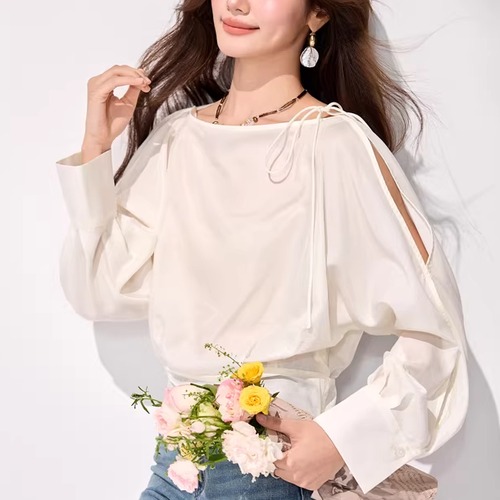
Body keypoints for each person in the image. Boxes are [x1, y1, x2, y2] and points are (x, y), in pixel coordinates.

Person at [55, 0, 469, 498]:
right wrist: (96, 148)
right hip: (174, 465)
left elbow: (435, 331)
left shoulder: (334, 143)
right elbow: (96, 289)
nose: (238, 3)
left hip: (271, 468)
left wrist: (342, 440)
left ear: (318, 14)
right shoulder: (178, 138)